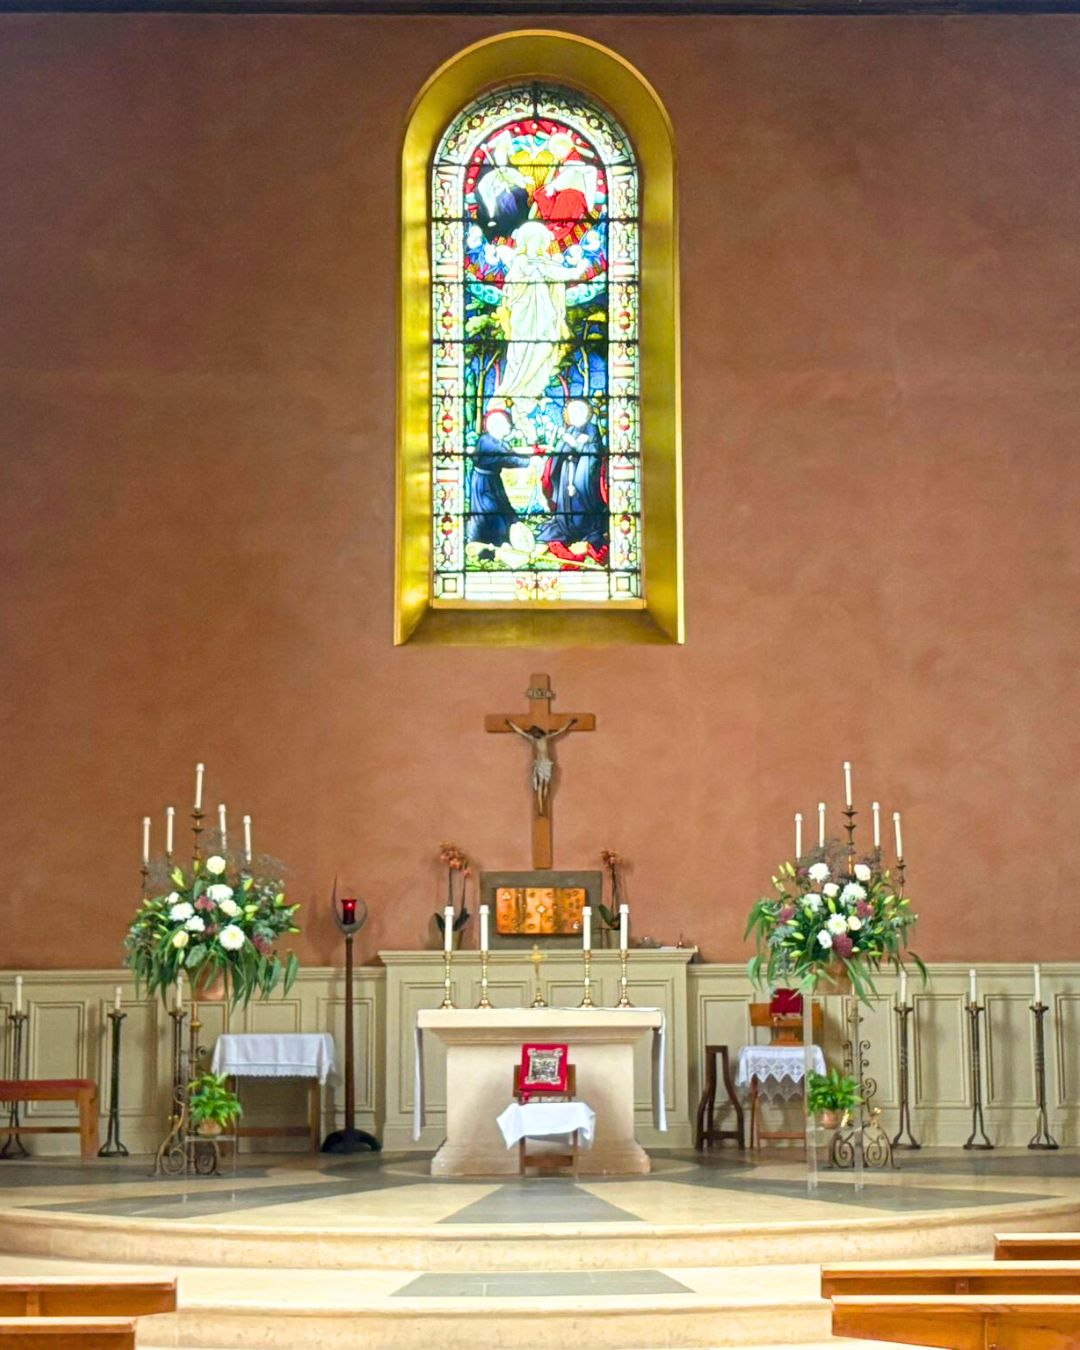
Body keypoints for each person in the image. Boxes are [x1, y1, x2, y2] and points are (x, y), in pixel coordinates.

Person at [539, 400, 609, 564]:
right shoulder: (570, 429)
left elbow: (593, 452)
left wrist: (574, 444)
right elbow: (560, 452)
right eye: (573, 412)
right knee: (566, 503)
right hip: (566, 473)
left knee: (580, 499)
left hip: (583, 475)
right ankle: (566, 525)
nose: (577, 415)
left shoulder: (591, 429)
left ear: (587, 413)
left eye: (580, 411)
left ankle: (584, 527)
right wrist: (564, 446)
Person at [466, 409, 534, 554]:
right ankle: (488, 545)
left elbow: (509, 453)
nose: (509, 427)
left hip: (492, 480)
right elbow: (507, 458)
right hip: (483, 483)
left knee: (505, 509)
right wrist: (529, 462)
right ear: (496, 426)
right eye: (507, 424)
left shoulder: (494, 440)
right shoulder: (487, 442)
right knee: (490, 511)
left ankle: (508, 539)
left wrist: (528, 457)